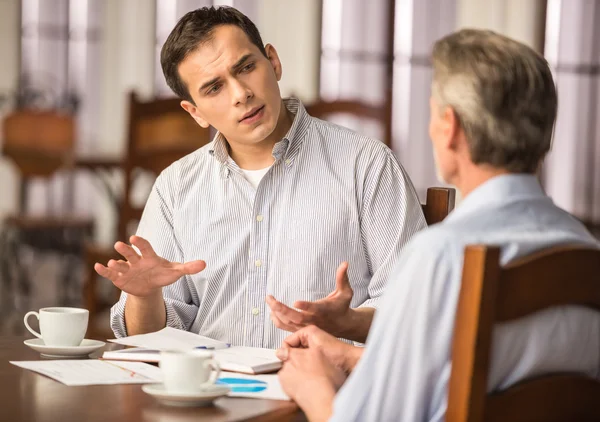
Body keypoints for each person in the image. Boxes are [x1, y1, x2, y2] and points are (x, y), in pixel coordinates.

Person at [275, 29, 600, 422]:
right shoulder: (585, 250)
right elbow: (481, 376)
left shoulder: (441, 256)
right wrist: (354, 355)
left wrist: (313, 386)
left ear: (451, 128)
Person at [95, 6, 426, 348]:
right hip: (208, 391)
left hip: (324, 390)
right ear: (195, 112)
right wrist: (146, 298)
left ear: (273, 61)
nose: (241, 94)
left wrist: (350, 323)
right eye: (213, 88)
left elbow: (415, 305)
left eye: (246, 67)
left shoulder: (367, 164)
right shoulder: (175, 187)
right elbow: (151, 341)